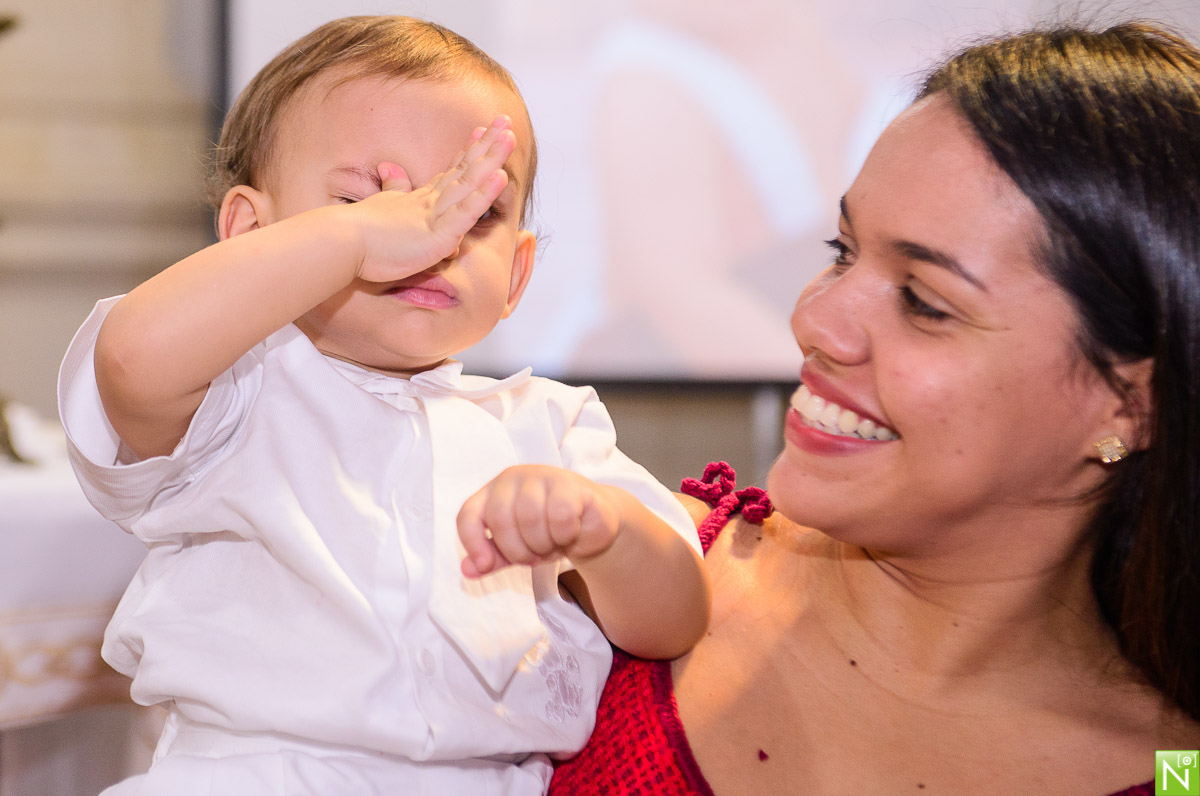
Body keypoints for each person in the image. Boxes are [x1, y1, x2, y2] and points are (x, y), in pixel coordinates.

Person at [56, 15, 708, 795]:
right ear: (252, 235)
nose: (433, 237)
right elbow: (131, 359)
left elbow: (674, 620)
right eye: (366, 198)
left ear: (517, 275)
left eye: (477, 211)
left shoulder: (548, 424)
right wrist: (355, 240)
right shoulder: (235, 392)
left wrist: (604, 529)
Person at [551, 20, 1200, 795]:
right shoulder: (611, 582)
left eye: (924, 302)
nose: (813, 320)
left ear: (1130, 406)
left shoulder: (1176, 773)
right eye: (842, 251)